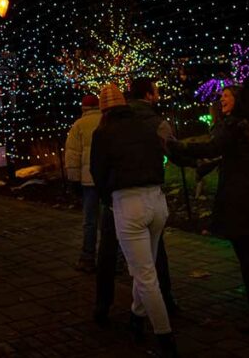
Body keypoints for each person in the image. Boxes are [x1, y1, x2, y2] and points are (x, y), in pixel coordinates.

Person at [166, 85, 249, 334]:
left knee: (247, 257)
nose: (222, 99)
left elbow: (212, 147)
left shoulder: (235, 126)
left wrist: (178, 146)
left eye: (227, 96)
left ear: (240, 100)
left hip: (239, 200)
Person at [90, 84, 178, 357]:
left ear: (104, 110)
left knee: (144, 275)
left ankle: (165, 338)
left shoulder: (103, 133)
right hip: (156, 201)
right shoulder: (144, 126)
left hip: (128, 203)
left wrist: (109, 199)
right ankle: (137, 318)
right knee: (146, 266)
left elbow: (98, 172)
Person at [127, 78, 179, 315]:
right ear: (148, 95)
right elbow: (175, 150)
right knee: (154, 258)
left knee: (136, 261)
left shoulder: (116, 122)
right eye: (156, 91)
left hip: (122, 198)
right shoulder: (156, 123)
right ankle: (160, 313)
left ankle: (132, 312)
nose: (158, 94)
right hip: (152, 194)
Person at [64, 93, 102, 272]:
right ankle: (118, 259)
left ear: (83, 108)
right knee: (112, 220)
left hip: (88, 181)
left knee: (90, 220)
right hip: (106, 178)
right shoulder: (106, 120)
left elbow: (73, 155)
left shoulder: (78, 125)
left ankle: (87, 257)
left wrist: (74, 180)